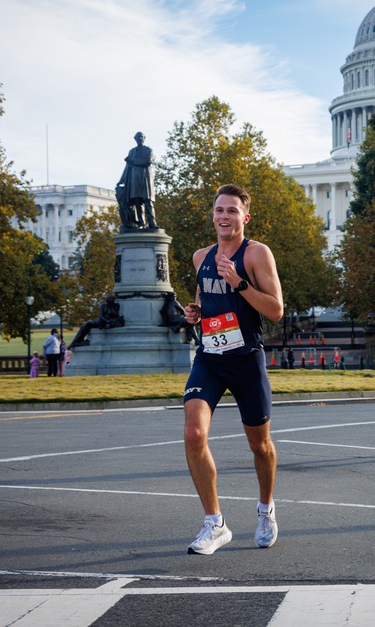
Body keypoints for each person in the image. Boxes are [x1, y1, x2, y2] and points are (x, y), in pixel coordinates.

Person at [181, 184, 284, 555]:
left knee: (260, 445)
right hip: (209, 357)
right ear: (212, 215)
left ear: (245, 217)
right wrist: (194, 314)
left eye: (232, 211)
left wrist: (238, 282)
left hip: (245, 359)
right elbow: (202, 301)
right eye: (219, 210)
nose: (224, 216)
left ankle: (266, 509)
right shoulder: (200, 256)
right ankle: (215, 523)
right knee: (194, 433)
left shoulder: (256, 254)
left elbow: (275, 310)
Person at [116, 131, 157, 229]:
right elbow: (127, 168)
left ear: (144, 138)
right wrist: (121, 180)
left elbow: (148, 162)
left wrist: (132, 161)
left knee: (148, 201)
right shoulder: (131, 152)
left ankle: (152, 222)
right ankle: (141, 222)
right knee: (137, 202)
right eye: (138, 137)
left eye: (141, 137)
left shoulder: (148, 150)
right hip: (134, 180)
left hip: (145, 178)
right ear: (135, 139)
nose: (140, 138)